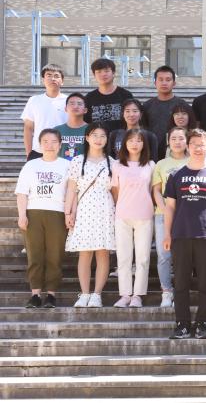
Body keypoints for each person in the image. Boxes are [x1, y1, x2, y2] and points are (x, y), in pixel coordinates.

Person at [163, 129, 206, 339]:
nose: (198, 148)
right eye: (194, 144)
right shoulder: (176, 175)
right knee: (180, 283)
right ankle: (182, 324)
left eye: (202, 144)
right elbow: (170, 207)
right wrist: (167, 234)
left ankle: (202, 324)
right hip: (180, 235)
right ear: (188, 147)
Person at [16, 129, 70, 309]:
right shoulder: (31, 166)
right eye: (45, 141)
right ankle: (35, 294)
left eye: (54, 141)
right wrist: (22, 215)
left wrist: (70, 214)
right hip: (34, 213)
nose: (49, 145)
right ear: (39, 144)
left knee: (55, 255)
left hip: (57, 213)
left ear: (60, 145)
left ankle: (51, 294)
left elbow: (72, 193)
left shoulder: (67, 165)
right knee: (35, 254)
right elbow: (22, 193)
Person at [64, 123, 116, 308]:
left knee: (103, 253)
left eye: (102, 136)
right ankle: (84, 293)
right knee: (84, 253)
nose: (98, 139)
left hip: (105, 209)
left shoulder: (112, 162)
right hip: (84, 209)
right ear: (87, 138)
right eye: (94, 135)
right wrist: (68, 212)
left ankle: (97, 294)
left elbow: (115, 191)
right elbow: (72, 189)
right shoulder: (78, 161)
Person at [110, 130, 156, 308]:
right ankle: (125, 294)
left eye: (139, 140)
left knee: (143, 258)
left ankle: (138, 295)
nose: (135, 144)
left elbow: (153, 190)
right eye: (131, 140)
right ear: (125, 144)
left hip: (144, 215)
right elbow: (115, 191)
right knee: (123, 257)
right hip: (123, 215)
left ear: (144, 144)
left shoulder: (151, 165)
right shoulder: (117, 165)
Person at [151, 126, 190, 308]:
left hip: (187, 216)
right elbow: (156, 191)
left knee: (184, 256)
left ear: (187, 141)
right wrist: (166, 209)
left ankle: (182, 290)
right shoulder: (161, 164)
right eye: (173, 138)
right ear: (168, 141)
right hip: (163, 215)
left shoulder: (194, 161)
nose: (177, 142)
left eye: (181, 138)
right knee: (163, 255)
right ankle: (166, 291)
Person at [22, 63, 67, 160]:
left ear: (62, 81)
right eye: (49, 75)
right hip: (39, 151)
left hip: (63, 152)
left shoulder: (69, 101)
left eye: (56, 76)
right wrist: (29, 153)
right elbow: (28, 128)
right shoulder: (34, 100)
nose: (53, 79)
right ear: (43, 80)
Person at [143, 66, 189, 160]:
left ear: (174, 83)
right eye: (160, 79)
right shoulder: (147, 105)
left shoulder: (182, 105)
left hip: (176, 153)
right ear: (155, 83)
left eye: (168, 80)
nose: (164, 83)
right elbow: (144, 129)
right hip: (151, 153)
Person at [84, 58, 133, 133]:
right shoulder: (89, 97)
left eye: (106, 71)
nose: (103, 74)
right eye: (99, 72)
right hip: (98, 138)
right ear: (94, 75)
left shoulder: (125, 95)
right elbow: (86, 121)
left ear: (113, 73)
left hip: (121, 137)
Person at [55, 93, 88, 161]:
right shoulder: (56, 131)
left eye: (79, 104)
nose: (75, 106)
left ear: (85, 110)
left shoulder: (91, 130)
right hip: (61, 166)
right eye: (72, 103)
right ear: (65, 109)